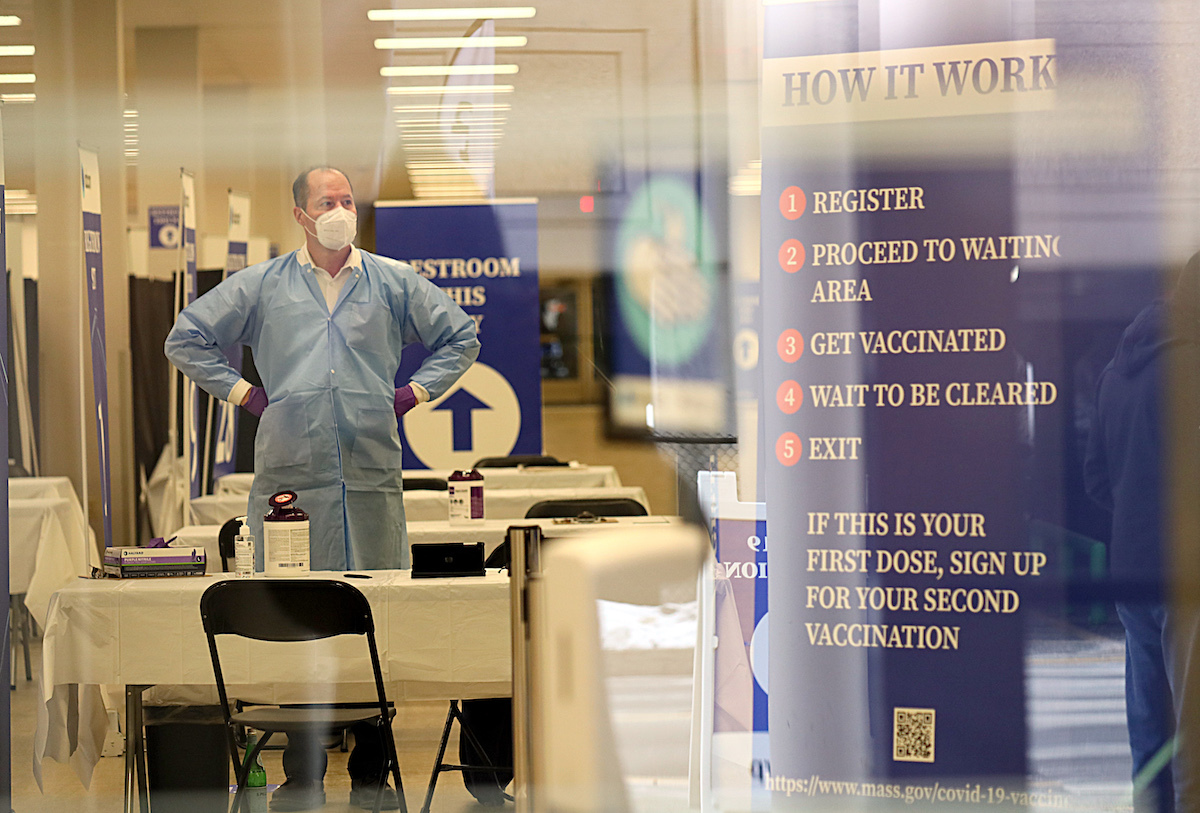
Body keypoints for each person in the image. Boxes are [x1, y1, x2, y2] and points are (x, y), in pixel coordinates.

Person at [165, 166, 479, 811]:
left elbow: (461, 336)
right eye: (326, 202)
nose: (340, 209)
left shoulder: (393, 282)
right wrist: (243, 392)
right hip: (291, 479)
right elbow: (186, 337)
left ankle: (371, 769)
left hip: (368, 475)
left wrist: (415, 391)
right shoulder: (263, 286)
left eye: (347, 200)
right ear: (302, 216)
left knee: (375, 620)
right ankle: (301, 771)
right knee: (296, 619)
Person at [1085, 251, 1200, 813]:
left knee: (1150, 730)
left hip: (1132, 572)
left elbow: (1095, 480)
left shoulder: (1116, 372)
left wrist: (1137, 513)